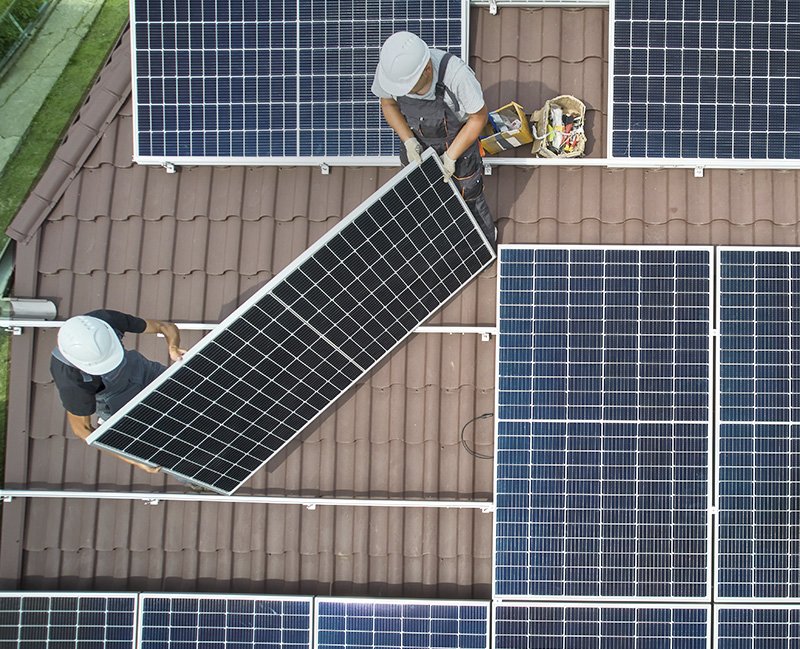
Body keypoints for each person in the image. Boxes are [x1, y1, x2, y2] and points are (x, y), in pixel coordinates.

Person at [373, 31, 496, 245]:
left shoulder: (456, 76)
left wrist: (450, 157)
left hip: (458, 143)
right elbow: (388, 103)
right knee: (423, 196)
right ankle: (437, 241)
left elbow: (479, 117)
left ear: (427, 69)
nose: (405, 92)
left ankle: (483, 244)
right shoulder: (392, 71)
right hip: (417, 143)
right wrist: (409, 141)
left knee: (469, 193)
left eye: (410, 88)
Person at [51, 310, 186, 473]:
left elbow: (165, 327)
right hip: (120, 407)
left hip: (148, 374)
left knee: (197, 399)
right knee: (173, 451)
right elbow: (83, 430)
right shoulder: (70, 380)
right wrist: (135, 460)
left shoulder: (102, 322)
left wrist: (173, 347)